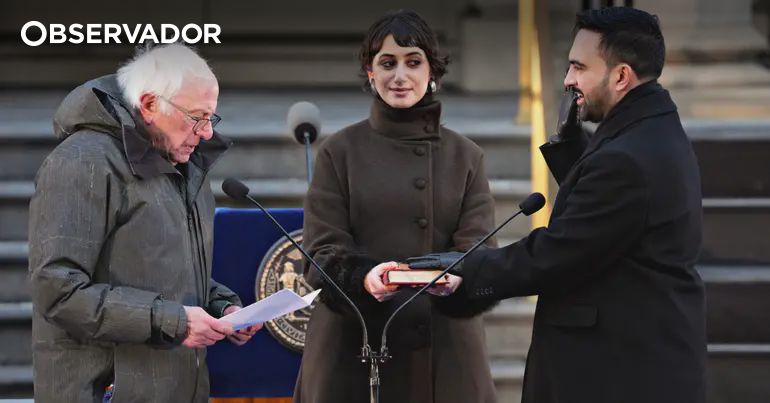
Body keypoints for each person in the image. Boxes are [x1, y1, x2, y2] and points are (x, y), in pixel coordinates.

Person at [408, 7, 706, 403]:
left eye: (579, 67)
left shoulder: (626, 158)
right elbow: (607, 220)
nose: (568, 80)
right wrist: (572, 151)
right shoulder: (650, 130)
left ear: (620, 76)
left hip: (616, 377)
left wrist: (468, 266)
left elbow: (559, 252)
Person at [28, 43, 261, 403]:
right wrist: (174, 322)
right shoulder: (81, 162)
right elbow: (58, 291)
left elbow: (162, 269)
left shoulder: (184, 165)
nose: (207, 133)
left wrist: (222, 306)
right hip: (104, 390)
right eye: (197, 116)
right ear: (151, 104)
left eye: (211, 117)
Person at [293, 9, 498, 403]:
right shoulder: (339, 152)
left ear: (432, 72)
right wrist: (365, 278)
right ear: (370, 73)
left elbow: (479, 250)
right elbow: (321, 253)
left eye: (413, 62)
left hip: (444, 349)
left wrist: (460, 277)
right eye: (387, 63)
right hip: (354, 347)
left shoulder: (466, 156)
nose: (399, 76)